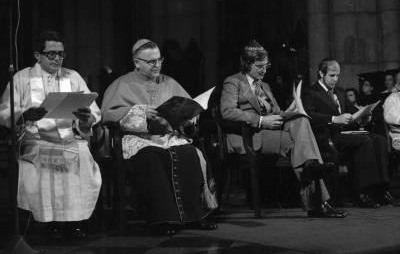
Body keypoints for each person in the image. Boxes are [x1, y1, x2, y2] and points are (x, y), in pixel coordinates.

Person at [101, 39, 217, 235]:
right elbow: (109, 115)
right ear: (136, 62)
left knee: (189, 153)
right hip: (137, 140)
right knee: (153, 155)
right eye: (151, 62)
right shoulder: (121, 84)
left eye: (159, 60)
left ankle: (194, 215)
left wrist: (188, 117)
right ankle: (164, 218)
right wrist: (140, 112)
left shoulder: (169, 82)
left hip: (167, 136)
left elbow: (186, 107)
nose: (157, 65)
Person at [220, 40, 345, 218]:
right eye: (259, 66)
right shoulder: (233, 82)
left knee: (301, 120)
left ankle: (312, 171)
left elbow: (277, 113)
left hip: (274, 131)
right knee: (304, 150)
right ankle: (319, 202)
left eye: (266, 65)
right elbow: (227, 112)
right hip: (251, 135)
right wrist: (262, 120)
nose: (264, 70)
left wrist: (291, 111)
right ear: (247, 64)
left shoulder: (265, 86)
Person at [0, 30, 102, 239]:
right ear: (38, 55)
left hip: (69, 136)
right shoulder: (22, 78)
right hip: (35, 138)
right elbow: (4, 111)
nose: (57, 58)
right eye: (51, 54)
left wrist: (86, 117)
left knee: (81, 154)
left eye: (61, 54)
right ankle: (48, 223)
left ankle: (74, 222)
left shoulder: (73, 77)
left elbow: (93, 110)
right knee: (44, 155)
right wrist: (25, 114)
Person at [302, 58, 399, 208]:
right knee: (365, 141)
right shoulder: (311, 92)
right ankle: (362, 193)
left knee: (379, 139)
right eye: (332, 75)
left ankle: (382, 190)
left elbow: (353, 112)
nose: (335, 79)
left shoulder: (340, 92)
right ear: (321, 73)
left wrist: (364, 115)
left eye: (337, 75)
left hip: (347, 133)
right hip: (329, 135)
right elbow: (309, 115)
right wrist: (334, 119)